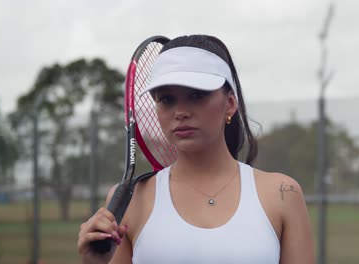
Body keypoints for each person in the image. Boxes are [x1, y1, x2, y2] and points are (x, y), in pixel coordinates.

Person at [78, 34, 315, 264]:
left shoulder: (284, 194)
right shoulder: (129, 200)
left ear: (230, 104)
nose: (180, 112)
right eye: (167, 99)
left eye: (196, 95)